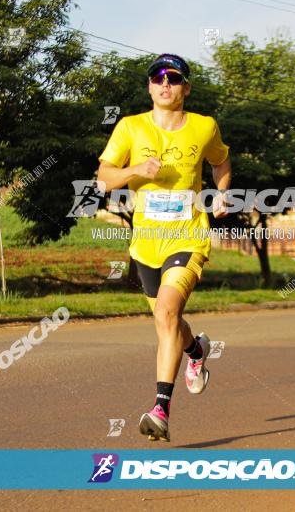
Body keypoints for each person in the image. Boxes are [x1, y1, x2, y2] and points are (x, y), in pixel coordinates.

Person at [97, 54, 232, 442]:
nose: (165, 83)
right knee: (166, 320)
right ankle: (196, 351)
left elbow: (221, 162)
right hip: (146, 244)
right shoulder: (130, 128)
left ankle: (160, 409)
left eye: (173, 77)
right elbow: (104, 179)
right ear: (149, 86)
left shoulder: (204, 127)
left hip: (189, 237)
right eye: (157, 77)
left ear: (186, 87)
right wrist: (134, 171)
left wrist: (223, 194)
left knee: (167, 314)